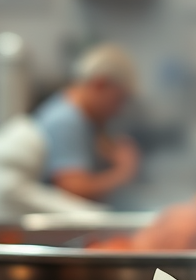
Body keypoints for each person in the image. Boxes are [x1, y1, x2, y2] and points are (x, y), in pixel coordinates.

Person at [34, 43, 141, 200]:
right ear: (100, 84)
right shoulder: (67, 120)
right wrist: (123, 172)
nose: (118, 111)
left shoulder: (83, 117)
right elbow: (72, 190)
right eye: (118, 100)